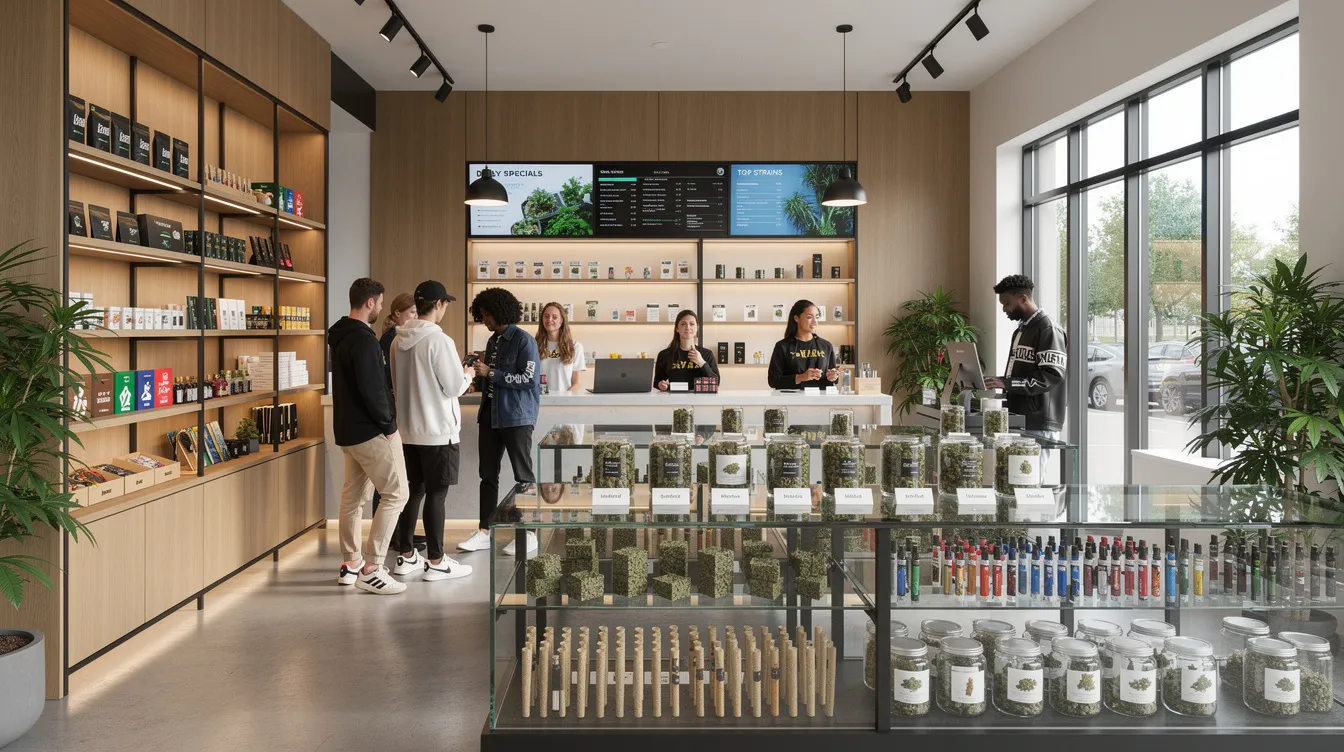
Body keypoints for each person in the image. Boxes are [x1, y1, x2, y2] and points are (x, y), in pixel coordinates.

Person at [387, 281, 474, 581]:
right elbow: (453, 386)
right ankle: (436, 561)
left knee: (413, 494)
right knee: (437, 496)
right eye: (445, 304)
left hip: (408, 431)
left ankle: (406, 555)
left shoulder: (397, 341)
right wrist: (468, 374)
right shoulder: (439, 341)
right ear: (438, 305)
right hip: (438, 432)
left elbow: (396, 385)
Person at [328, 278, 409, 595]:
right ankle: (373, 567)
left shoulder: (340, 336)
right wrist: (389, 426)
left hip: (348, 432)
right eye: (379, 302)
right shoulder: (363, 340)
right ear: (370, 302)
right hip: (372, 432)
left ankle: (350, 563)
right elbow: (373, 390)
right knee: (397, 493)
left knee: (352, 499)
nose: (379, 307)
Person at [459, 287, 541, 556]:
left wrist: (490, 372)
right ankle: (485, 530)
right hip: (490, 417)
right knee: (487, 476)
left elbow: (527, 380)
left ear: (499, 311)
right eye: (481, 314)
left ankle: (530, 533)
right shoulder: (492, 342)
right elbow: (491, 378)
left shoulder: (524, 341)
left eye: (486, 314)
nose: (484, 319)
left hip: (517, 418)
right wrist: (475, 379)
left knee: (523, 477)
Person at [984, 274, 1067, 477]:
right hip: (1021, 418)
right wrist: (1002, 382)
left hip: (1039, 421)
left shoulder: (1048, 329)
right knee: (1014, 481)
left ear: (1023, 298)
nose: (1004, 309)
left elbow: (1052, 375)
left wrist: (1008, 383)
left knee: (1029, 482)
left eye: (1007, 303)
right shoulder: (1023, 330)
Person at [370, 293, 416, 519]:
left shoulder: (395, 337)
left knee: (396, 476)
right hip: (391, 415)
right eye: (412, 313)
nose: (416, 317)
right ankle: (394, 534)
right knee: (392, 477)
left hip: (394, 413)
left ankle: (398, 533)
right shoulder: (393, 339)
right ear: (398, 313)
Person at [767, 299, 841, 389]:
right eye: (809, 317)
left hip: (820, 400)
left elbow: (833, 377)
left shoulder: (826, 345)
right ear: (796, 318)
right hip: (791, 400)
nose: (815, 322)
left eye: (817, 317)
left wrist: (833, 377)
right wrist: (801, 377)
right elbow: (773, 381)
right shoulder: (783, 346)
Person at [654, 309, 719, 390]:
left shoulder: (707, 354)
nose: (688, 327)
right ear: (677, 328)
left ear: (697, 328)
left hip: (700, 401)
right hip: (673, 400)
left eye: (692, 324)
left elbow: (716, 383)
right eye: (683, 324)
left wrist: (701, 362)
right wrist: (661, 385)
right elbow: (657, 382)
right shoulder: (665, 355)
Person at [535, 302, 586, 394]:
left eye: (554, 317)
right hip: (539, 401)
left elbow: (577, 383)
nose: (549, 319)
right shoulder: (534, 345)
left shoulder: (575, 347)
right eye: (546, 316)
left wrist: (564, 398)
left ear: (561, 321)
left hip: (564, 403)